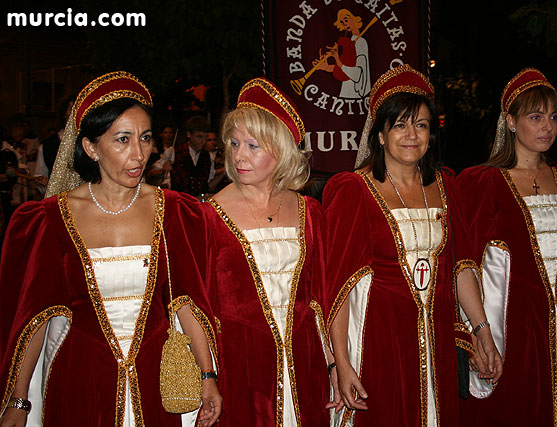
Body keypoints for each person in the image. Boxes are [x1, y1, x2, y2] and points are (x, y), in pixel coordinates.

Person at [0, 71, 221, 426]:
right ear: (91, 147)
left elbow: (186, 299)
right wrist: (19, 399)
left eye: (145, 138)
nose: (139, 154)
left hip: (155, 373)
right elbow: (36, 315)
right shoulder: (52, 218)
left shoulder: (176, 211)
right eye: (122, 140)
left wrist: (208, 376)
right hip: (81, 374)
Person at [323, 64, 502, 427]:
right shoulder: (353, 191)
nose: (411, 135)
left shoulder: (446, 186)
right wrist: (341, 364)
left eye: (420, 125)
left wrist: (482, 330)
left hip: (436, 336)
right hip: (378, 337)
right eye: (400, 125)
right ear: (380, 134)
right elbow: (338, 289)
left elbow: (460, 267)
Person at [456, 68, 557, 426]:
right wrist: (478, 332)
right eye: (535, 117)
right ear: (510, 121)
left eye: (552, 117)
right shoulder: (482, 183)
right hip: (511, 325)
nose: (547, 127)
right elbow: (463, 265)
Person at [206, 77, 339, 426]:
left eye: (253, 145)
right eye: (234, 143)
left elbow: (322, 298)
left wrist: (336, 363)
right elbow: (196, 303)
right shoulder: (206, 215)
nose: (238, 155)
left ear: (281, 150)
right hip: (239, 366)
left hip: (306, 361)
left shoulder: (311, 211)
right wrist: (207, 375)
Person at [313, 9, 371, 99]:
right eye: (342, 22)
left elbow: (357, 75)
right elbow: (345, 69)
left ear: (354, 19)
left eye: (346, 20)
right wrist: (326, 67)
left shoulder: (360, 43)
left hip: (355, 93)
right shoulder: (350, 41)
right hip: (346, 90)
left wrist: (337, 59)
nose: (344, 24)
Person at [167, 116, 216, 197]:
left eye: (205, 137)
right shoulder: (173, 152)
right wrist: (162, 172)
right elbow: (151, 175)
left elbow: (209, 184)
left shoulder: (209, 156)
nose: (203, 141)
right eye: (199, 137)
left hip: (198, 202)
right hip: (179, 202)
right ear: (189, 134)